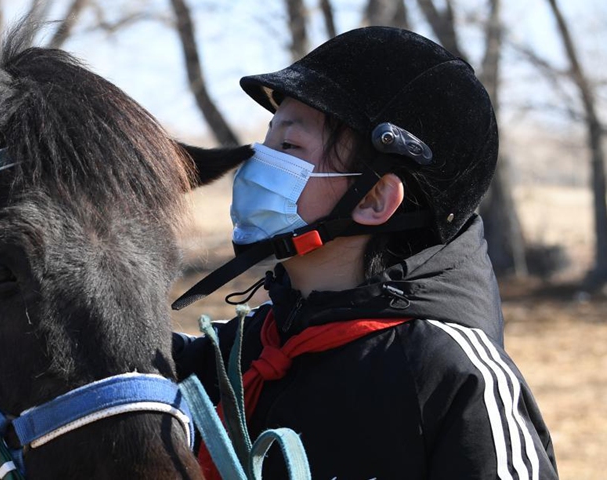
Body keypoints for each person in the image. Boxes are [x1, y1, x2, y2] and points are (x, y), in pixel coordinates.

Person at [173, 26, 558, 479]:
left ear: (375, 200)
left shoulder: (452, 377)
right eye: (268, 138)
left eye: (290, 146)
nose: (258, 161)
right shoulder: (242, 350)